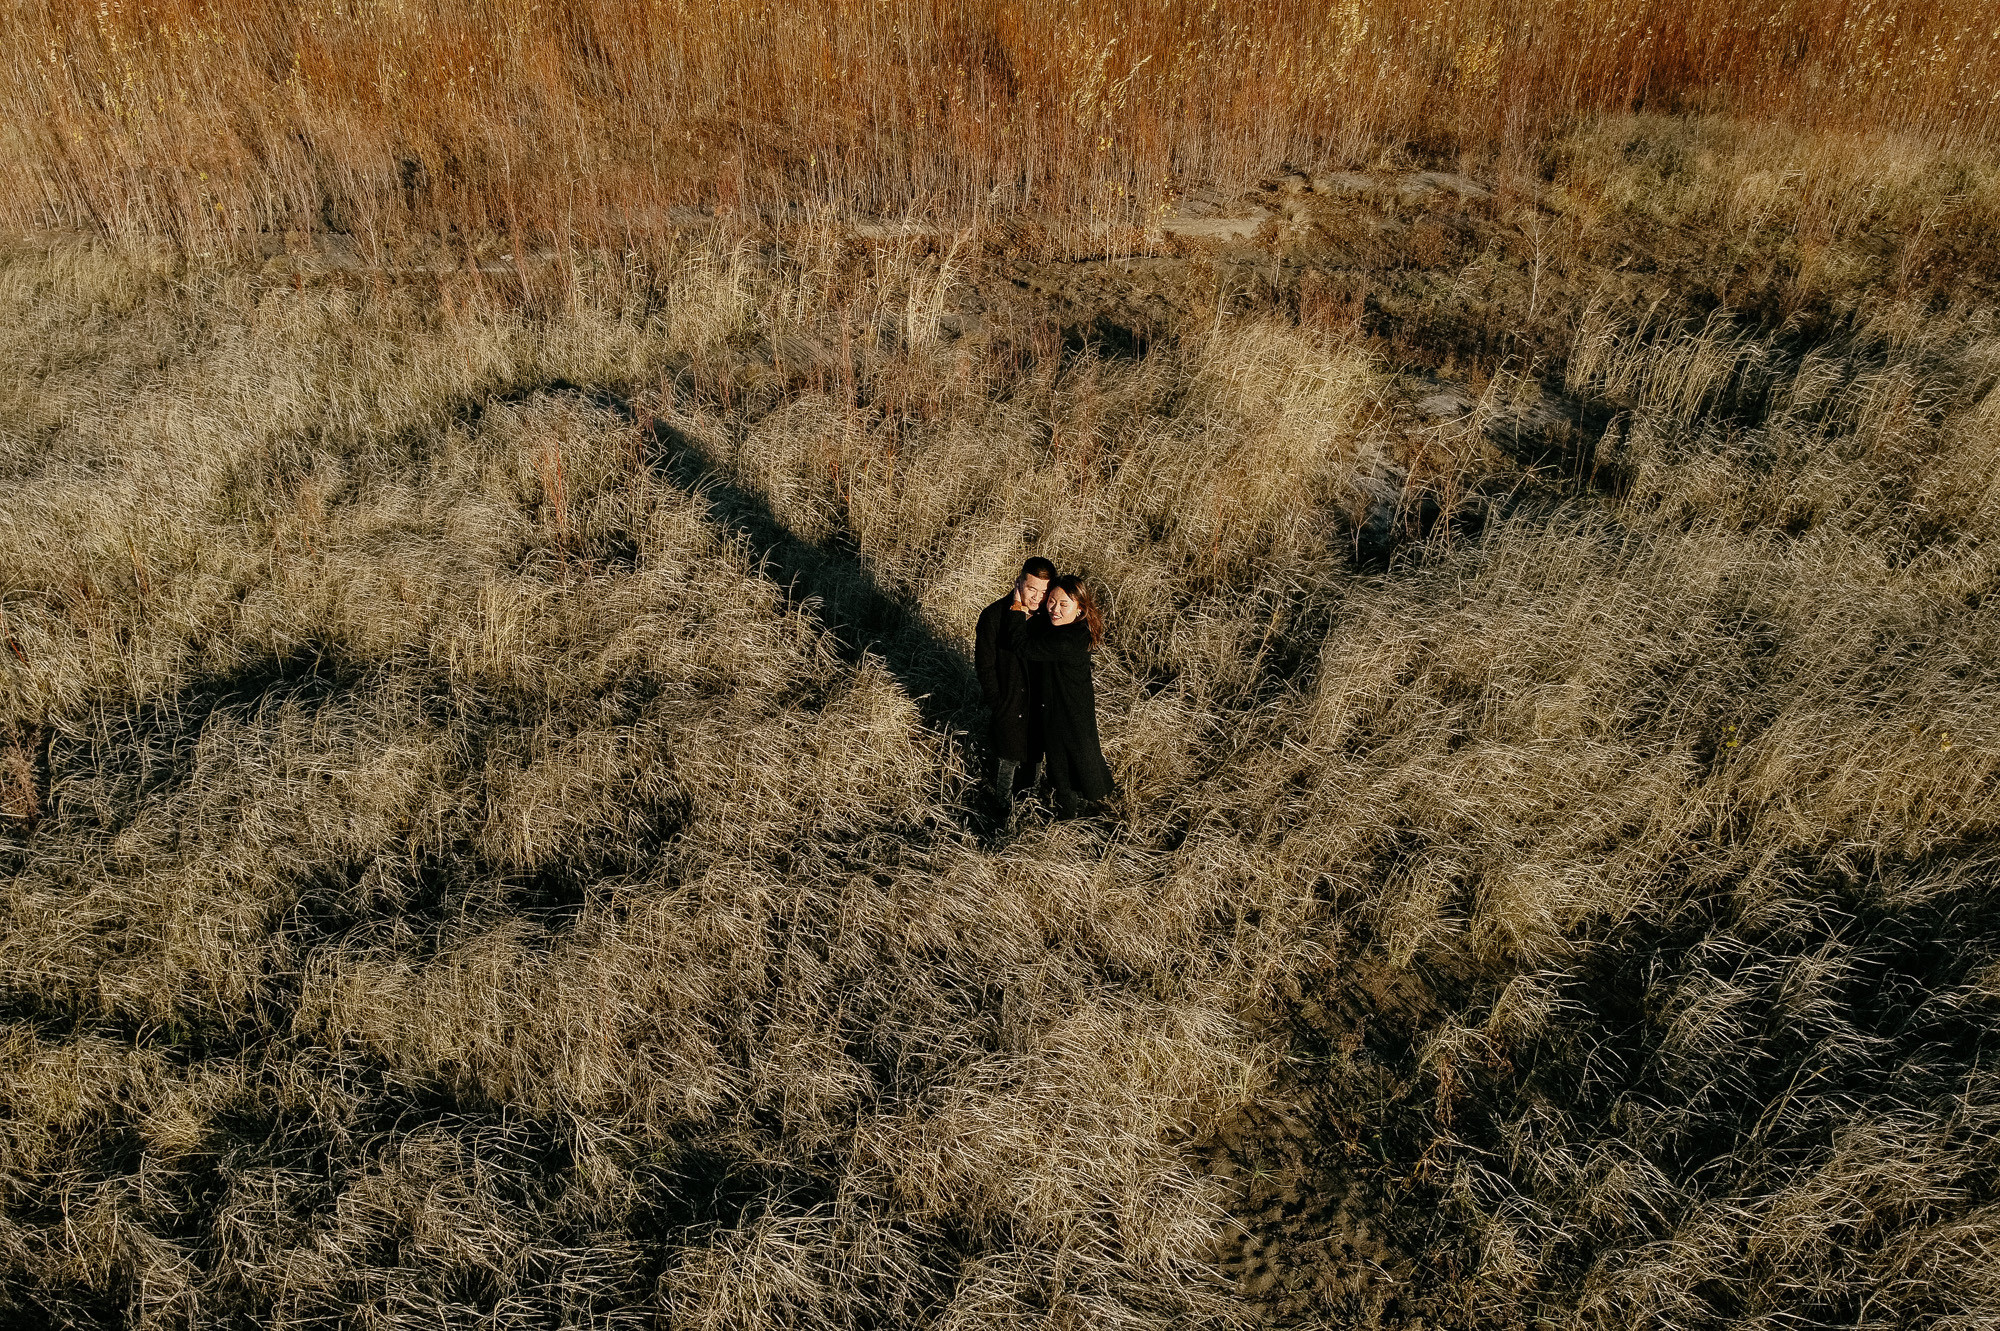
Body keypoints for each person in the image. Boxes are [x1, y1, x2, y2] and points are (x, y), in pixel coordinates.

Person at [1008, 574, 1116, 818]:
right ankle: (1076, 809)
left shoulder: (1068, 640)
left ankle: (1069, 821)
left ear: (1080, 609)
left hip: (1067, 713)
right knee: (1069, 765)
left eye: (1063, 605)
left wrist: (1017, 607)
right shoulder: (1070, 628)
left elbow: (1022, 646)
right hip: (1067, 708)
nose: (1054, 610)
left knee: (1065, 769)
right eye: (1051, 602)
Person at [975, 556, 1057, 832]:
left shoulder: (1050, 618)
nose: (1037, 597)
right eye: (1032, 589)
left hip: (1037, 703)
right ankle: (999, 813)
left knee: (1033, 756)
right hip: (1008, 701)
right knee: (1006, 759)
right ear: (1018, 581)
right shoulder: (994, 615)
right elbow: (984, 665)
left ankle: (1027, 806)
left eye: (1044, 591)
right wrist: (997, 702)